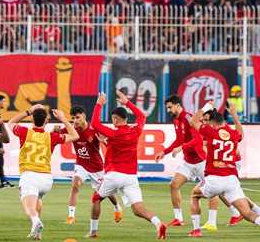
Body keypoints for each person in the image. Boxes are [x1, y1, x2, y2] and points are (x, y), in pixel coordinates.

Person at [188, 103, 260, 239]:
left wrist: (205, 107)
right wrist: (234, 115)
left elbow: (193, 121)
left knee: (194, 195)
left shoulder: (210, 132)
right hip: (231, 180)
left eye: (209, 122)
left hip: (214, 178)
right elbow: (241, 134)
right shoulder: (233, 134)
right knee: (246, 212)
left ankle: (196, 230)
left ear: (213, 123)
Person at [91, 91, 167, 239]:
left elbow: (95, 123)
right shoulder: (135, 130)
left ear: (115, 118)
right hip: (131, 177)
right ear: (126, 118)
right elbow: (142, 116)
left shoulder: (113, 133)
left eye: (113, 119)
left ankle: (93, 232)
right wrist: (127, 102)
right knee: (138, 209)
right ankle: (158, 223)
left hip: (114, 175)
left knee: (96, 199)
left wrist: (99, 104)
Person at [7, 104, 77, 240]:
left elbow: (11, 122)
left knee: (29, 208)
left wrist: (29, 110)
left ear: (32, 119)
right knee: (37, 199)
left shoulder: (24, 132)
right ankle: (37, 233)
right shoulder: (51, 136)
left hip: (29, 176)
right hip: (46, 179)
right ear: (46, 121)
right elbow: (75, 135)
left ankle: (36, 221)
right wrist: (63, 119)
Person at [63, 105, 123, 227]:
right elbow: (57, 133)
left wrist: (103, 141)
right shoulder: (72, 129)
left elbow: (109, 145)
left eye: (77, 117)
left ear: (84, 116)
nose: (75, 121)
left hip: (97, 167)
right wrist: (55, 129)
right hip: (81, 164)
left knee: (105, 192)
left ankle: (117, 207)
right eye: (73, 118)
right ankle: (71, 216)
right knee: (75, 185)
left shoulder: (94, 130)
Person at [155, 94, 205, 228]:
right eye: (167, 108)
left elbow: (198, 140)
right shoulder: (176, 120)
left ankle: (236, 211)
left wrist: (181, 148)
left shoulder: (189, 118)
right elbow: (178, 140)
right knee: (174, 185)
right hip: (188, 162)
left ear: (178, 105)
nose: (168, 110)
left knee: (218, 190)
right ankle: (178, 218)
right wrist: (164, 152)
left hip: (201, 161)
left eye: (170, 107)